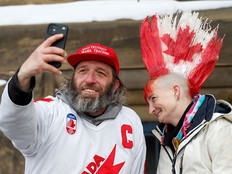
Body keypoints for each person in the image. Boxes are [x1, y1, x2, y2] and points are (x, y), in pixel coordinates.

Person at [0, 34, 146, 173]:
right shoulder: (51, 111)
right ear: (73, 78)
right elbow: (13, 122)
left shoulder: (130, 120)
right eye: (83, 71)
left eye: (101, 73)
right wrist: (23, 76)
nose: (89, 79)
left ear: (115, 86)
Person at [140, 11, 232, 174]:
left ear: (176, 91)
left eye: (154, 98)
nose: (150, 110)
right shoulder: (167, 139)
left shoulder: (220, 130)